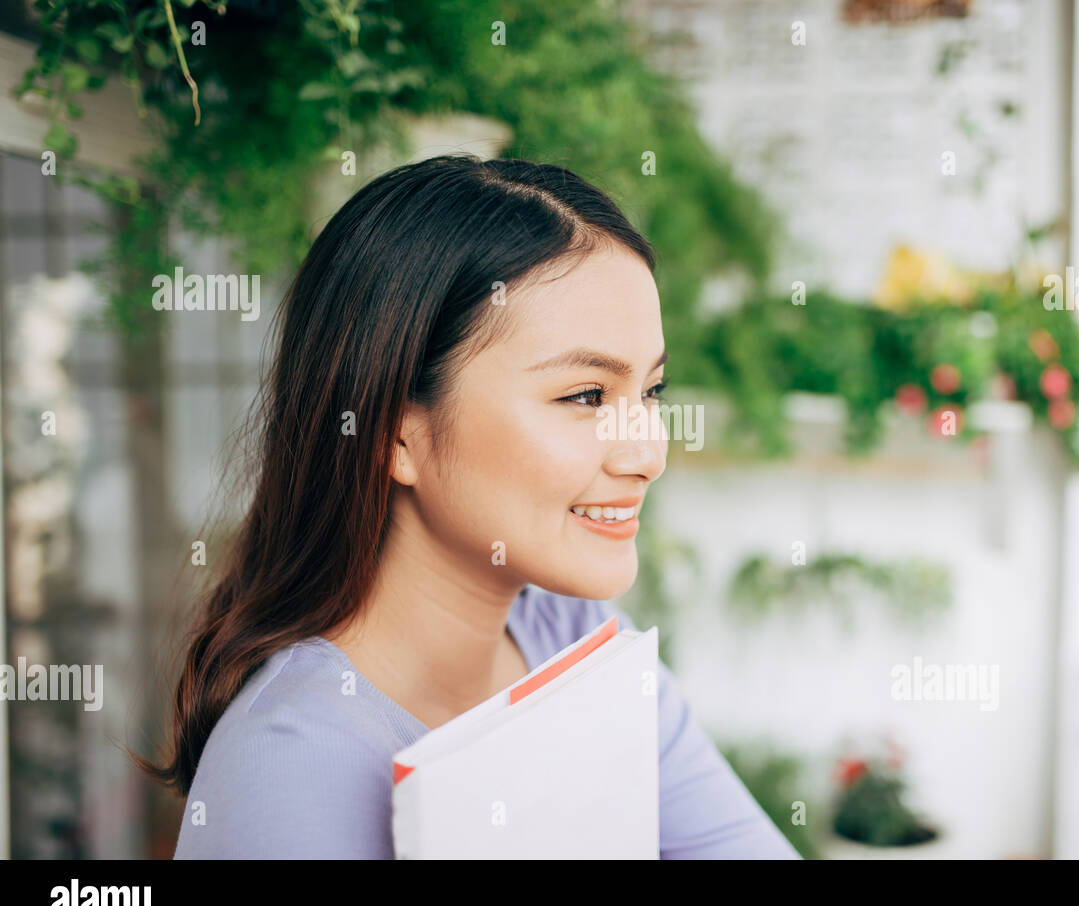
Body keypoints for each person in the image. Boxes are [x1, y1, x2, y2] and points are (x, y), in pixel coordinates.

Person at [136, 155, 800, 859]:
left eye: (651, 392)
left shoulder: (576, 639)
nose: (647, 453)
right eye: (585, 396)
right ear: (395, 431)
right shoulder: (289, 769)